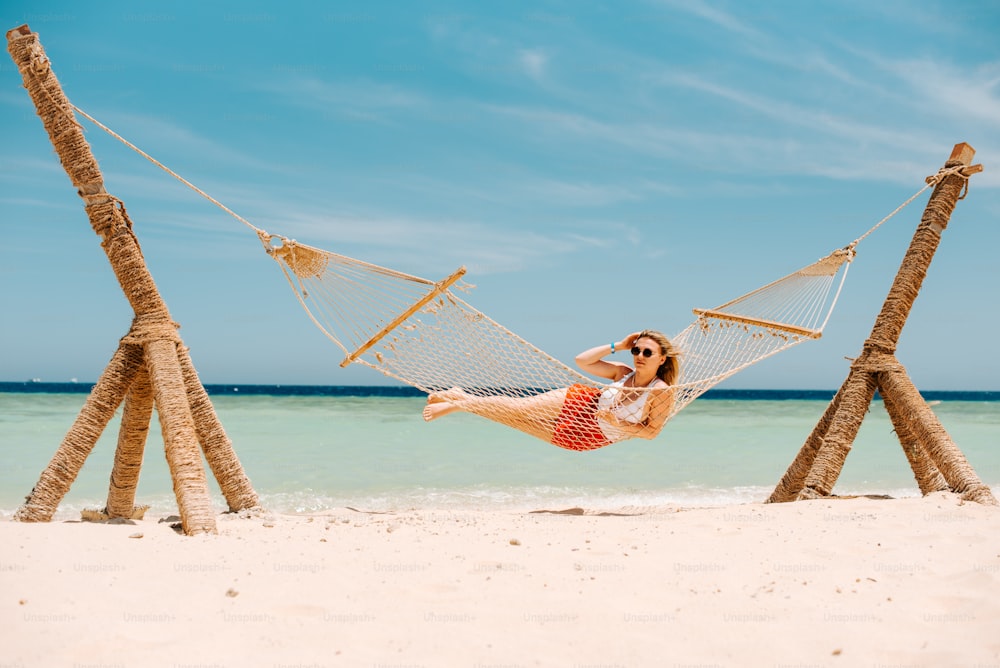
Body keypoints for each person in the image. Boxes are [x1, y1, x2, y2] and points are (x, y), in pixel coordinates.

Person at [422, 330, 680, 451]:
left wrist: (617, 423)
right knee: (518, 408)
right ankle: (458, 401)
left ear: (661, 359)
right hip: (581, 403)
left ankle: (459, 398)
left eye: (648, 352)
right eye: (637, 350)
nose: (640, 356)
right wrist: (619, 345)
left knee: (512, 420)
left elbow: (651, 433)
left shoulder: (661, 391)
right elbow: (583, 361)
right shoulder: (624, 372)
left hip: (589, 436)